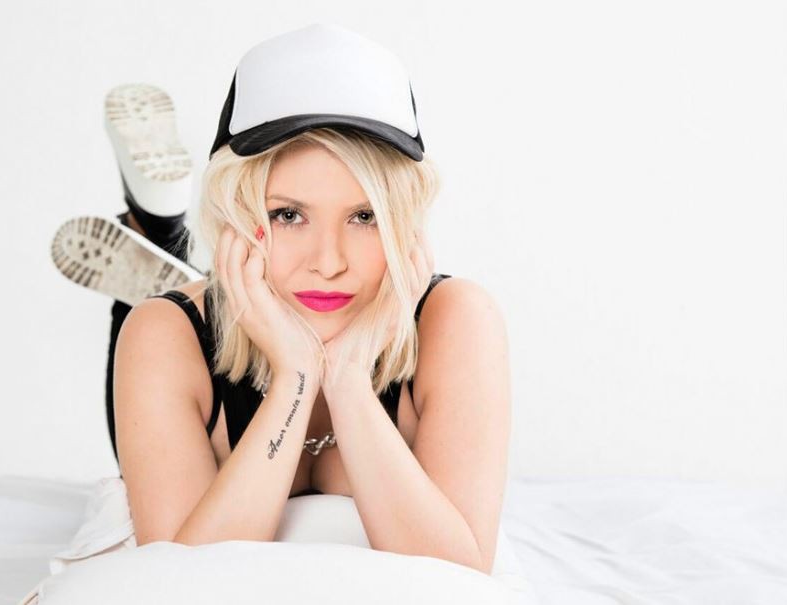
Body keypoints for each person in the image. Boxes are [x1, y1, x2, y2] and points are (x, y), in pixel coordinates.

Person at [51, 24, 510, 573]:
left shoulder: (457, 320)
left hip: (255, 318)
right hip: (196, 339)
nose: (329, 263)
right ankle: (158, 224)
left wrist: (346, 378)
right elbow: (181, 577)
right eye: (288, 215)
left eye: (365, 216)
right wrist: (296, 375)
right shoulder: (167, 333)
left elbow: (459, 573)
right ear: (236, 213)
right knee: (150, 323)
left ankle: (160, 226)